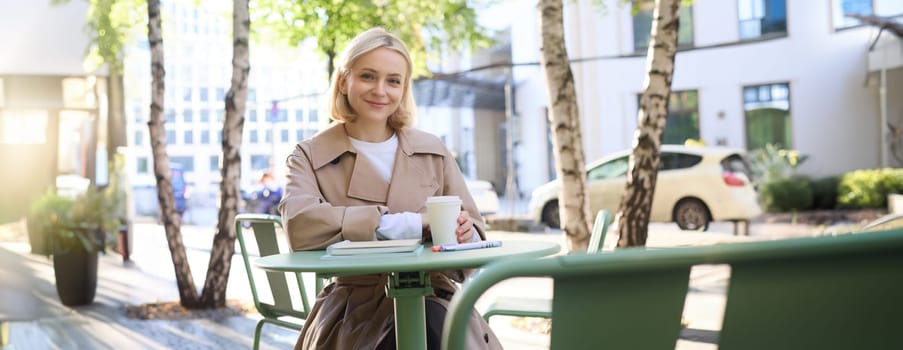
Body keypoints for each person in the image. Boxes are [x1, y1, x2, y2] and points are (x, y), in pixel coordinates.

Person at [279, 28, 502, 349]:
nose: (380, 90)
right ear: (344, 80)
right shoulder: (309, 154)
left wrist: (466, 235)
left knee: (431, 324)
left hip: (434, 298)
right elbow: (301, 228)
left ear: (404, 88)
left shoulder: (432, 150)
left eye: (393, 80)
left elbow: (475, 239)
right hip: (353, 309)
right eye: (368, 76)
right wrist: (414, 223)